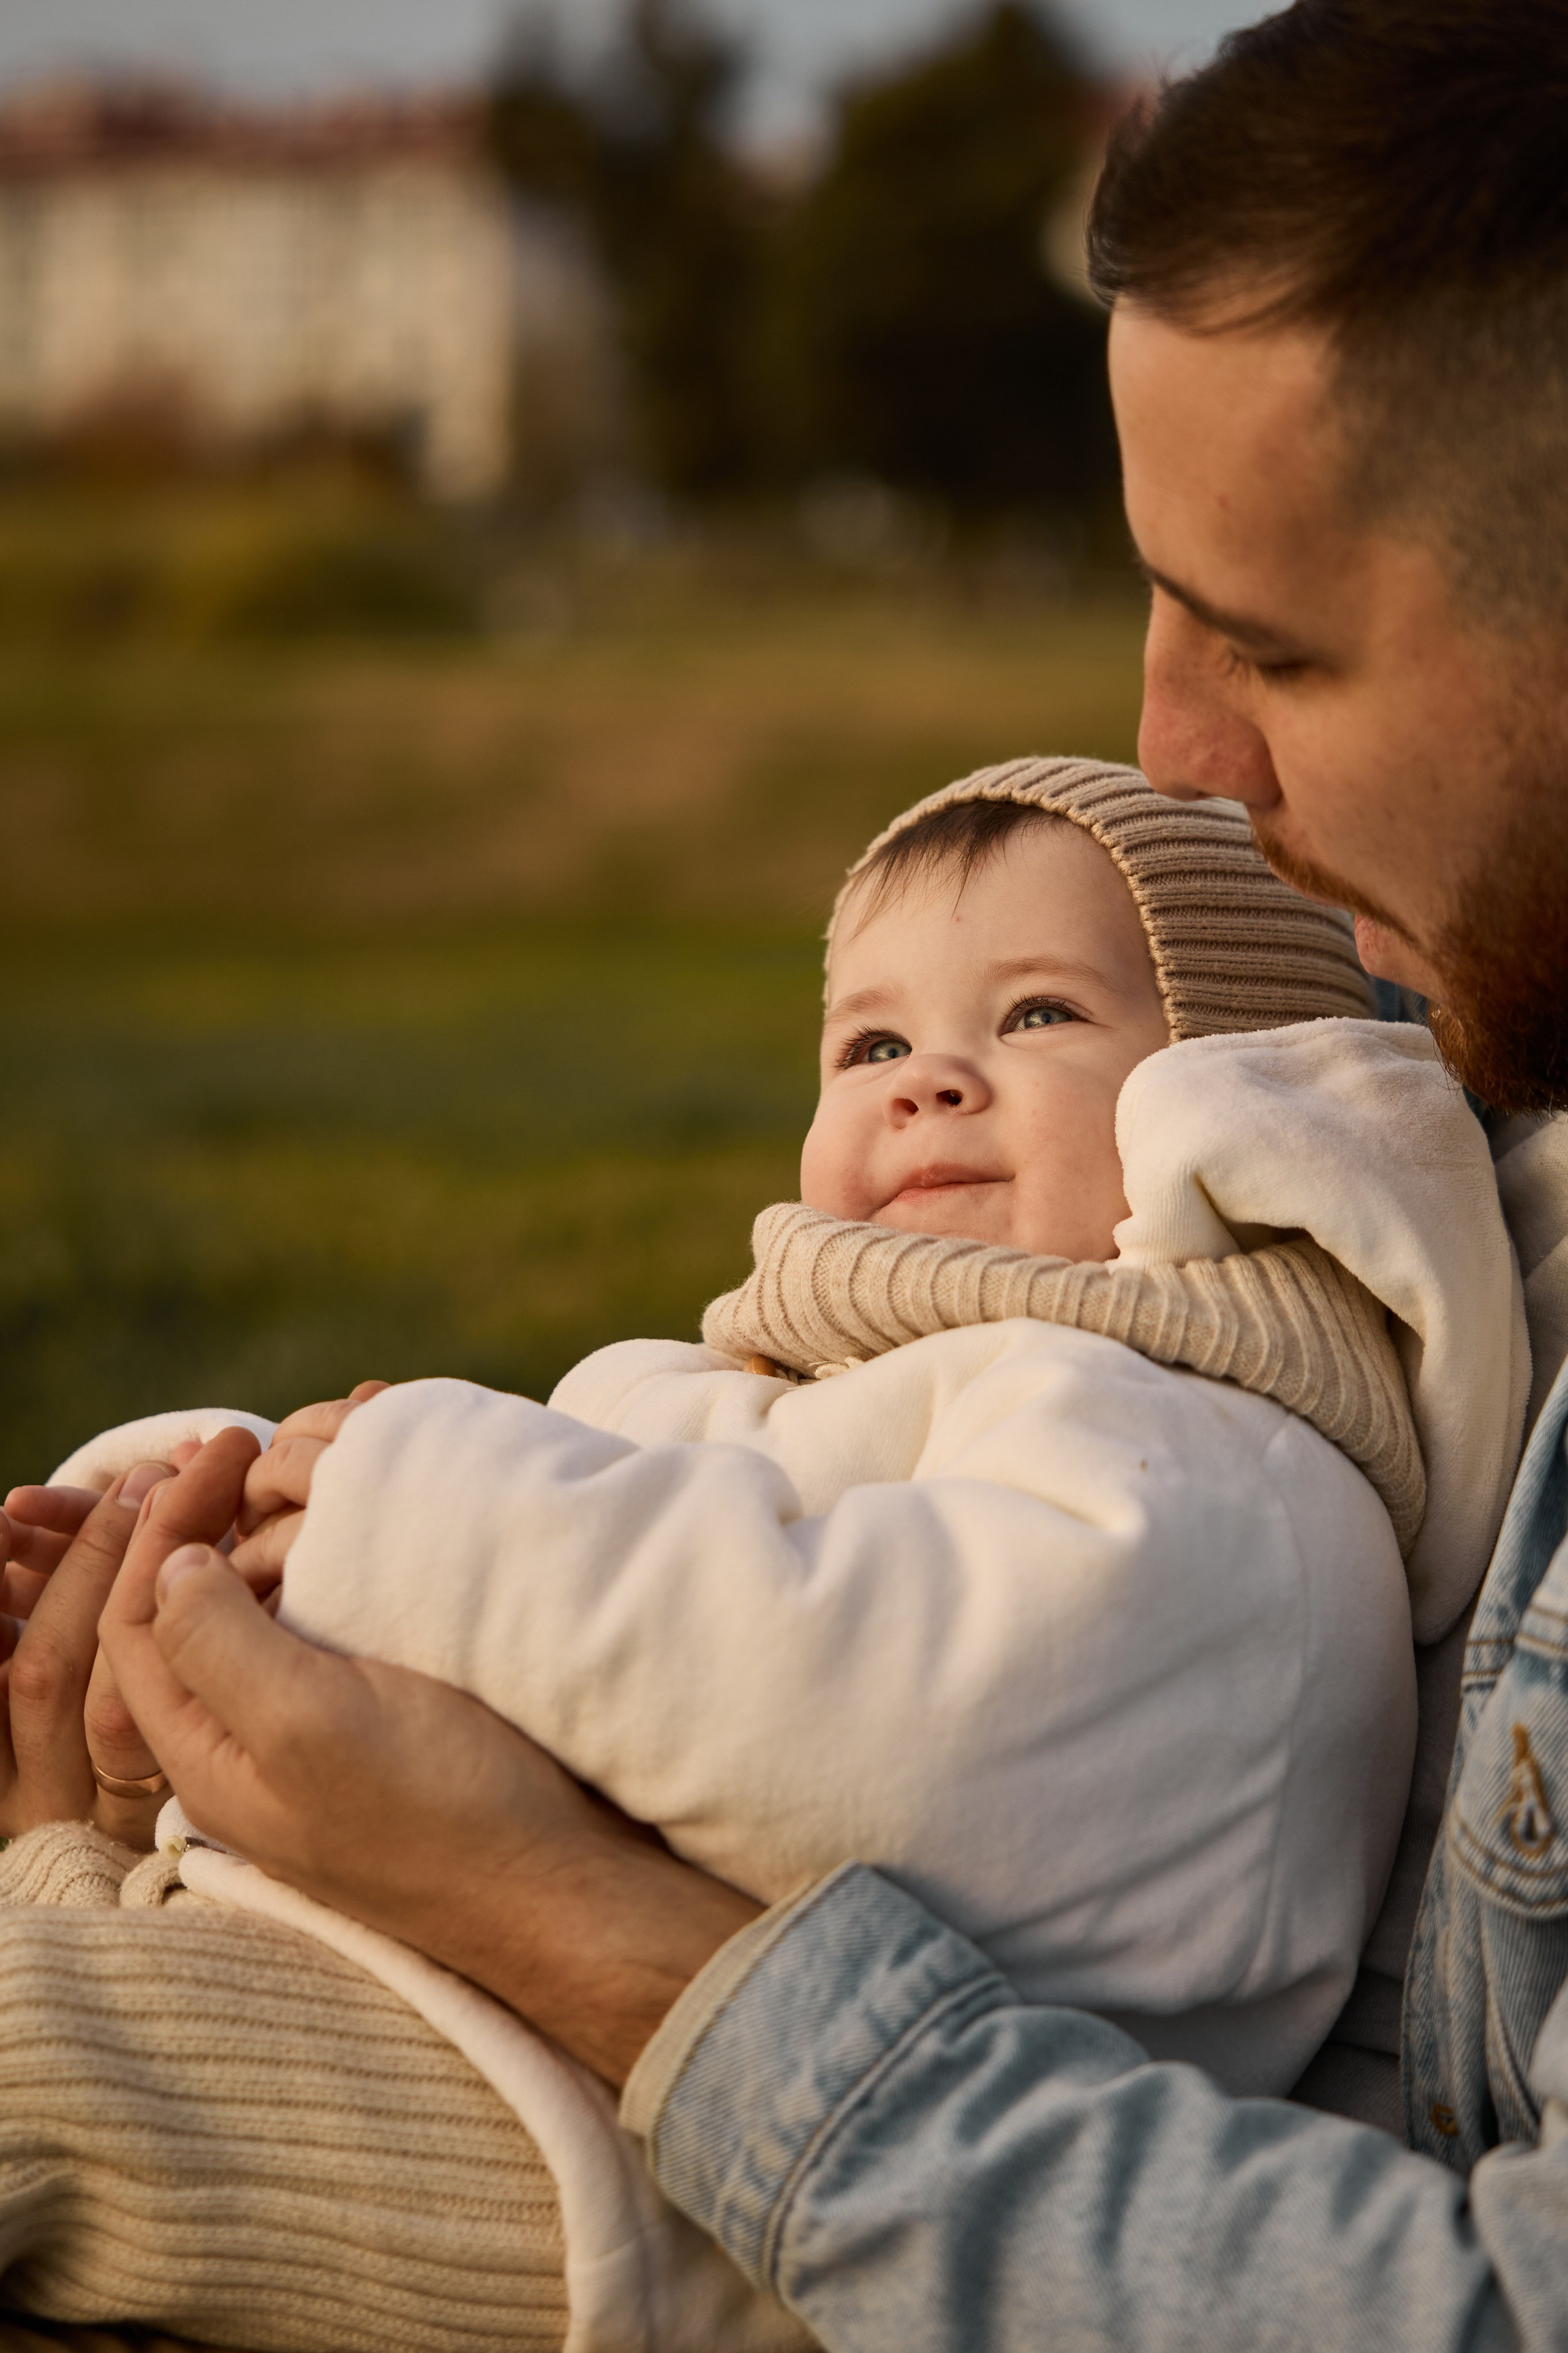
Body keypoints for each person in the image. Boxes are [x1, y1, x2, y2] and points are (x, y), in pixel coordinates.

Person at [8, 0, 1568, 2345]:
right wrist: (168, 1610)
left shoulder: (1231, 1374)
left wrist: (542, 1894)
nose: (1170, 743)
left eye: (1274, 643)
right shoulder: (1471, 1137)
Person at [13, 756, 1512, 2348]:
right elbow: (605, 1560)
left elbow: (885, 1722)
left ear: (1249, 1098)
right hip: (437, 2004)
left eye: (1038, 1016)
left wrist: (412, 1517)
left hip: (617, 2154)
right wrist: (212, 1534)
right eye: (873, 1041)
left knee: (27, 2056)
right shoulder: (815, 1385)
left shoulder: (1219, 1466)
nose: (929, 1078)